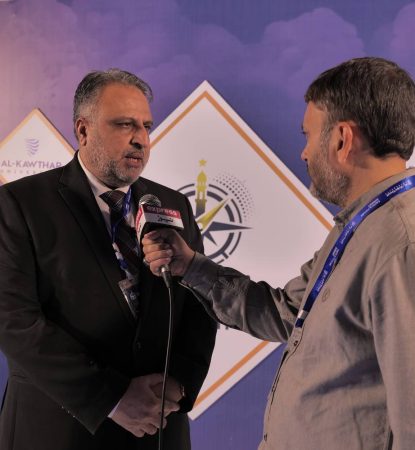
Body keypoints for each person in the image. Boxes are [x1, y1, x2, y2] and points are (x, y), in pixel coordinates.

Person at [142, 57, 415, 450]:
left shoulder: (401, 243)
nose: (304, 153)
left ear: (342, 139)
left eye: (309, 136)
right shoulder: (363, 226)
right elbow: (286, 313)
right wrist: (191, 267)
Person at [0, 69, 216, 450]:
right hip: (59, 431)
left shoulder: (174, 204)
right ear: (83, 130)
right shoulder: (20, 204)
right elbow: (14, 321)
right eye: (124, 124)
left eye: (146, 126)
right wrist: (111, 398)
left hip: (158, 430)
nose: (140, 139)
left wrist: (179, 383)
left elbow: (200, 303)